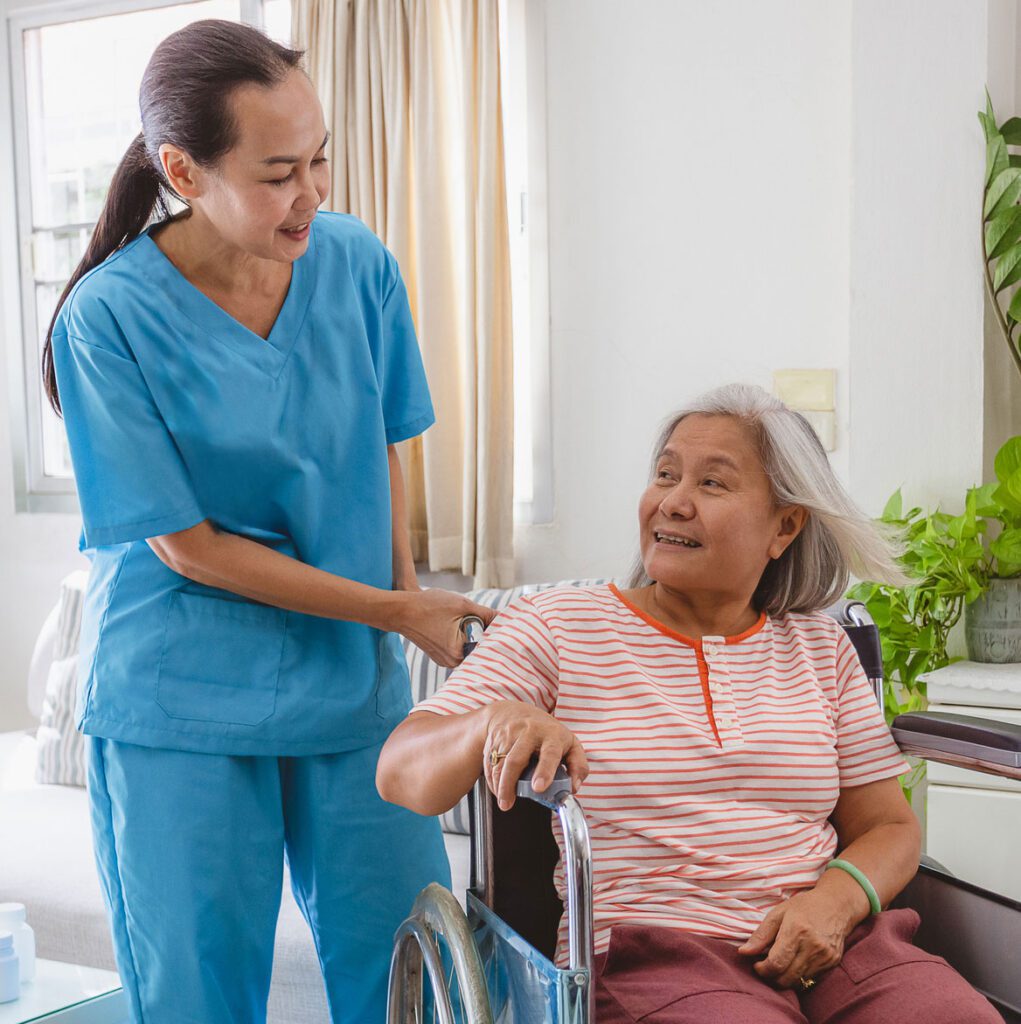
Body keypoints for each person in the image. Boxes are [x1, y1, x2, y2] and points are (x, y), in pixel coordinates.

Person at [44, 19, 494, 1024]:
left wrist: (405, 608)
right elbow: (186, 546)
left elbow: (382, 452)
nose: (313, 194)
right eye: (279, 171)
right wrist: (391, 611)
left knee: (412, 979)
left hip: (350, 687)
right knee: (199, 998)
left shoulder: (357, 266)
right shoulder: (107, 319)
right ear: (183, 170)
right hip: (180, 703)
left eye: (321, 158)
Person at [377, 384, 1003, 1024]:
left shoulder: (819, 647)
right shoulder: (560, 626)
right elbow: (400, 772)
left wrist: (836, 901)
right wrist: (490, 720)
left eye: (712, 484)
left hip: (838, 942)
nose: (673, 503)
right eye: (665, 475)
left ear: (784, 526)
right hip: (659, 954)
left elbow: (889, 828)